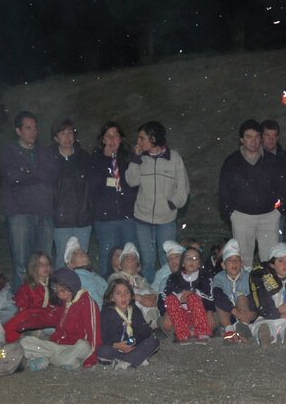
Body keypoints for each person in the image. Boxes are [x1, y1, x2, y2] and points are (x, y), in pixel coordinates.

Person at [218, 119, 286, 269]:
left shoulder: (273, 161)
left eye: (257, 136)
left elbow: (283, 187)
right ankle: (244, 290)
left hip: (269, 217)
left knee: (270, 258)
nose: (253, 141)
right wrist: (230, 213)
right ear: (241, 140)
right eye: (248, 137)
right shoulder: (232, 162)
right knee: (243, 259)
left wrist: (279, 210)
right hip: (242, 216)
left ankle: (268, 289)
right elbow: (224, 190)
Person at [126, 121, 190, 282]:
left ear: (153, 138)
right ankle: (150, 293)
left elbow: (183, 188)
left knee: (167, 259)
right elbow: (131, 181)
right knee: (147, 261)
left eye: (142, 138)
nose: (138, 142)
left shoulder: (174, 158)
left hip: (166, 220)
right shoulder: (140, 158)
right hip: (142, 219)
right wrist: (135, 159)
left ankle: (167, 294)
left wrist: (172, 204)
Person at [1, 111, 58, 282]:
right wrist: (36, 172)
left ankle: (45, 301)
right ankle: (23, 303)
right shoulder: (9, 151)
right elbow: (12, 177)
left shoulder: (45, 151)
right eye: (28, 128)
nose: (33, 132)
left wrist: (27, 172)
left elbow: (53, 173)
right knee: (22, 262)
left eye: (35, 128)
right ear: (18, 131)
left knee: (44, 262)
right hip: (20, 214)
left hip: (44, 213)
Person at [19, 267, 101, 370]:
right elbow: (48, 318)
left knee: (82, 346)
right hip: (59, 347)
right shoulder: (64, 304)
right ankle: (63, 361)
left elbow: (94, 335)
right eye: (57, 292)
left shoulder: (87, 303)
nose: (60, 295)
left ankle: (48, 359)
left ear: (72, 287)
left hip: (77, 347)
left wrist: (91, 359)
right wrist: (26, 324)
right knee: (25, 343)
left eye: (62, 291)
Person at [89, 122, 137, 265]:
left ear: (121, 139)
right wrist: (105, 159)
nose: (112, 140)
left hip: (128, 217)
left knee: (131, 256)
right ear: (103, 140)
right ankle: (108, 285)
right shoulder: (95, 159)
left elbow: (135, 185)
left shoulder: (129, 158)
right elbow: (93, 186)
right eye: (108, 136)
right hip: (105, 219)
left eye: (115, 135)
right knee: (108, 256)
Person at [50, 118, 93, 264]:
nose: (67, 137)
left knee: (82, 259)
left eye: (70, 133)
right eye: (62, 133)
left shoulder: (84, 158)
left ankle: (81, 287)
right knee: (63, 258)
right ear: (56, 138)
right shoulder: (50, 159)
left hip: (83, 218)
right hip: (61, 220)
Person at [98, 278, 159, 369]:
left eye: (127, 293)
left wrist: (133, 341)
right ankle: (135, 359)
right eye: (118, 293)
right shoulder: (107, 313)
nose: (123, 296)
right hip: (115, 348)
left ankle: (127, 360)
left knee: (154, 341)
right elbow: (102, 336)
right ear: (111, 297)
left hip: (133, 346)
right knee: (103, 351)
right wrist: (116, 345)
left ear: (131, 296)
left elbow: (144, 331)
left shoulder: (134, 310)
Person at [161, 246, 216, 343]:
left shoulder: (205, 277)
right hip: (182, 315)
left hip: (201, 315)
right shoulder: (174, 278)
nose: (191, 261)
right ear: (182, 263)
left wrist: (194, 293)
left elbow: (211, 298)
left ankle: (202, 332)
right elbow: (165, 297)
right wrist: (179, 296)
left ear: (199, 264)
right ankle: (183, 334)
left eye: (195, 258)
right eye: (188, 258)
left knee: (193, 297)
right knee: (170, 300)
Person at [212, 239, 257, 342]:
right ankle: (229, 330)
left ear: (242, 264)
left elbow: (255, 297)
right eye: (230, 260)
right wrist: (235, 312)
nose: (234, 263)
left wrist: (253, 312)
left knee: (241, 298)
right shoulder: (219, 278)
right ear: (223, 265)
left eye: (237, 259)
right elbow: (218, 296)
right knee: (220, 303)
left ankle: (243, 328)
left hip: (245, 313)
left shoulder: (248, 277)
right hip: (228, 314)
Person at [107, 241, 160, 328]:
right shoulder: (115, 277)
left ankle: (152, 326)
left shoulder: (141, 279)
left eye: (134, 258)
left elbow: (151, 290)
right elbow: (119, 292)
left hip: (144, 311)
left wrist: (153, 297)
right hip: (125, 312)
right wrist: (140, 298)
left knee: (148, 294)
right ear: (120, 265)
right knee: (134, 292)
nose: (130, 259)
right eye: (126, 257)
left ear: (138, 266)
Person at [260, 119, 286, 235]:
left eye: (274, 136)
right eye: (267, 135)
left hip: (277, 214)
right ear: (261, 137)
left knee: (276, 249)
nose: (271, 139)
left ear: (278, 138)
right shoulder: (253, 158)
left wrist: (282, 209)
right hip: (254, 213)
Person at [61, 237, 108, 306]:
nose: (82, 253)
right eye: (76, 253)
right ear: (70, 264)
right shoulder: (73, 278)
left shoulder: (100, 279)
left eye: (83, 251)